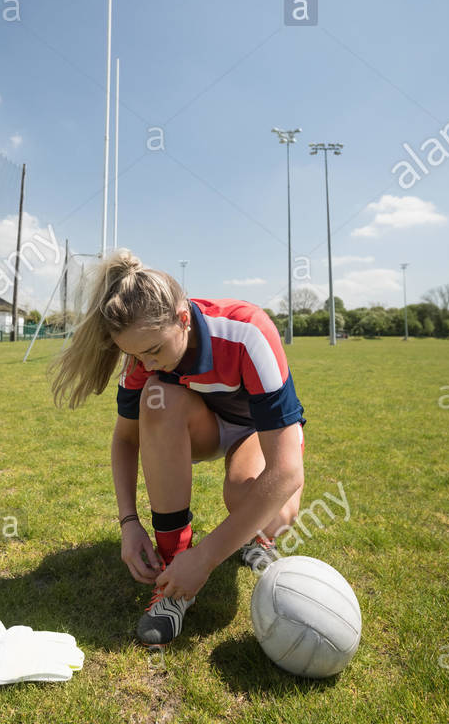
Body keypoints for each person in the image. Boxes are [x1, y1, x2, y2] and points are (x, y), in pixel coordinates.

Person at [49, 249, 306, 646]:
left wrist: (205, 560)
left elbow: (287, 471)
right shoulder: (141, 359)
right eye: (134, 355)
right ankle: (172, 574)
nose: (145, 364)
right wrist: (129, 524)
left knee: (268, 511)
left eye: (153, 351)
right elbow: (125, 439)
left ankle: (256, 539)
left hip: (255, 430)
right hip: (203, 424)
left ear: (183, 319)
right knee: (158, 395)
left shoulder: (246, 331)